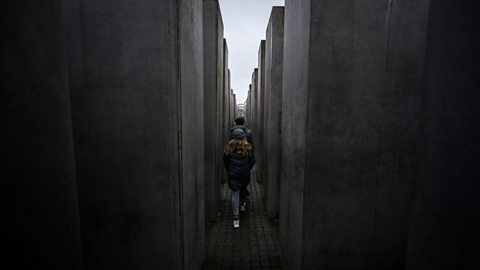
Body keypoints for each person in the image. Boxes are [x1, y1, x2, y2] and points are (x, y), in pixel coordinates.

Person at [224, 128, 255, 228]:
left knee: (234, 194)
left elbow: (225, 161)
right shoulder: (248, 147)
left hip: (233, 174)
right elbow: (252, 160)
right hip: (245, 173)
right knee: (243, 189)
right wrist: (247, 168)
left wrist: (230, 170)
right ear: (243, 137)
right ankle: (242, 204)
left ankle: (236, 218)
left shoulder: (228, 147)